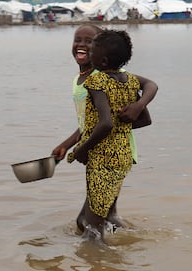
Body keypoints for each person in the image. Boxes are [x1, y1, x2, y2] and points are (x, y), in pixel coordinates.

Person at [51, 25, 157, 234]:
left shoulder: (106, 77)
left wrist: (138, 105)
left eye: (90, 42)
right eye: (77, 39)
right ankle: (132, 245)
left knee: (89, 223)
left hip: (108, 154)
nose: (82, 45)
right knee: (105, 216)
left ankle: (102, 259)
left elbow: (150, 85)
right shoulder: (81, 80)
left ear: (102, 53)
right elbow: (91, 122)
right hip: (113, 153)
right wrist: (67, 144)